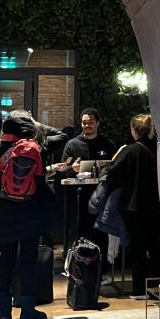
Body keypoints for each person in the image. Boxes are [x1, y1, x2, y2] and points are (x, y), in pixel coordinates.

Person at [0, 110, 56, 319]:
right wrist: (38, 126)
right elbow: (60, 136)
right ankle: (27, 310)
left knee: (5, 261)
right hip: (30, 215)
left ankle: (3, 314)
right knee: (28, 261)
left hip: (4, 216)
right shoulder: (36, 149)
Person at [104, 113, 160, 298]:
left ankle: (139, 289)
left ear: (134, 130)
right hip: (157, 205)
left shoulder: (130, 151)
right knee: (154, 245)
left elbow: (112, 174)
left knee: (137, 247)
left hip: (134, 206)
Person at [57, 108, 117, 258]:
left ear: (97, 124)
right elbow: (61, 171)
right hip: (78, 199)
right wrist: (72, 169)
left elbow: (116, 168)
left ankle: (100, 271)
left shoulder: (107, 144)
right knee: (79, 233)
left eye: (90, 123)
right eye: (84, 123)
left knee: (100, 234)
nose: (87, 126)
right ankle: (77, 268)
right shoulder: (72, 145)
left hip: (100, 198)